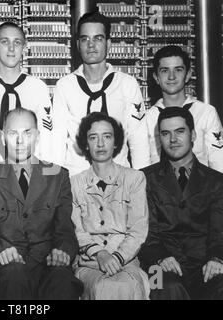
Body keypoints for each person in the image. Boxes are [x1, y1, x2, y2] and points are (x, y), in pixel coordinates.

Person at [0, 108, 83, 300]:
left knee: (62, 279)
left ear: (37, 136)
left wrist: (63, 252)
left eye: (27, 133)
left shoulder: (58, 175)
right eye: (12, 133)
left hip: (47, 265)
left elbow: (65, 231)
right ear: (2, 137)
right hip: (9, 269)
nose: (20, 141)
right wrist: (0, 253)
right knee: (13, 275)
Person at [139, 107, 223, 300]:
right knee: (161, 286)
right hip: (155, 263)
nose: (173, 139)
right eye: (165, 133)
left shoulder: (217, 181)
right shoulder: (143, 179)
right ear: (159, 138)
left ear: (193, 134)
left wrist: (217, 258)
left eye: (180, 131)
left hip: (205, 263)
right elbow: (145, 233)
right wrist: (159, 257)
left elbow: (220, 233)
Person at [53, 11, 150, 176]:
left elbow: (139, 140)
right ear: (78, 45)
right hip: (77, 180)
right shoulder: (65, 86)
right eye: (85, 39)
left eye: (98, 38)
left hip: (120, 181)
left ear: (109, 44)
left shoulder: (126, 84)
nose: (91, 45)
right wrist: (55, 185)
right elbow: (56, 141)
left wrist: (141, 185)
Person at [71, 112, 149, 299]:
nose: (100, 144)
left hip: (127, 263)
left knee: (125, 285)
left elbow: (138, 230)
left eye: (107, 136)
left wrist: (117, 257)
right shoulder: (75, 183)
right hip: (89, 264)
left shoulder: (134, 179)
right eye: (93, 137)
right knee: (102, 287)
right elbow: (77, 230)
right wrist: (100, 254)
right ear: (86, 145)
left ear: (116, 143)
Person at [0, 21, 59, 169]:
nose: (11, 48)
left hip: (31, 173)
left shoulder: (38, 88)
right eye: (5, 42)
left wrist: (45, 177)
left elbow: (47, 138)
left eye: (17, 42)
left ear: (24, 46)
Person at [146, 45, 223, 172]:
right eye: (165, 70)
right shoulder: (148, 118)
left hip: (201, 188)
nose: (172, 77)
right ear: (156, 77)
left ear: (188, 75)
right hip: (159, 188)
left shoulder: (206, 113)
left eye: (178, 70)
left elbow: (219, 163)